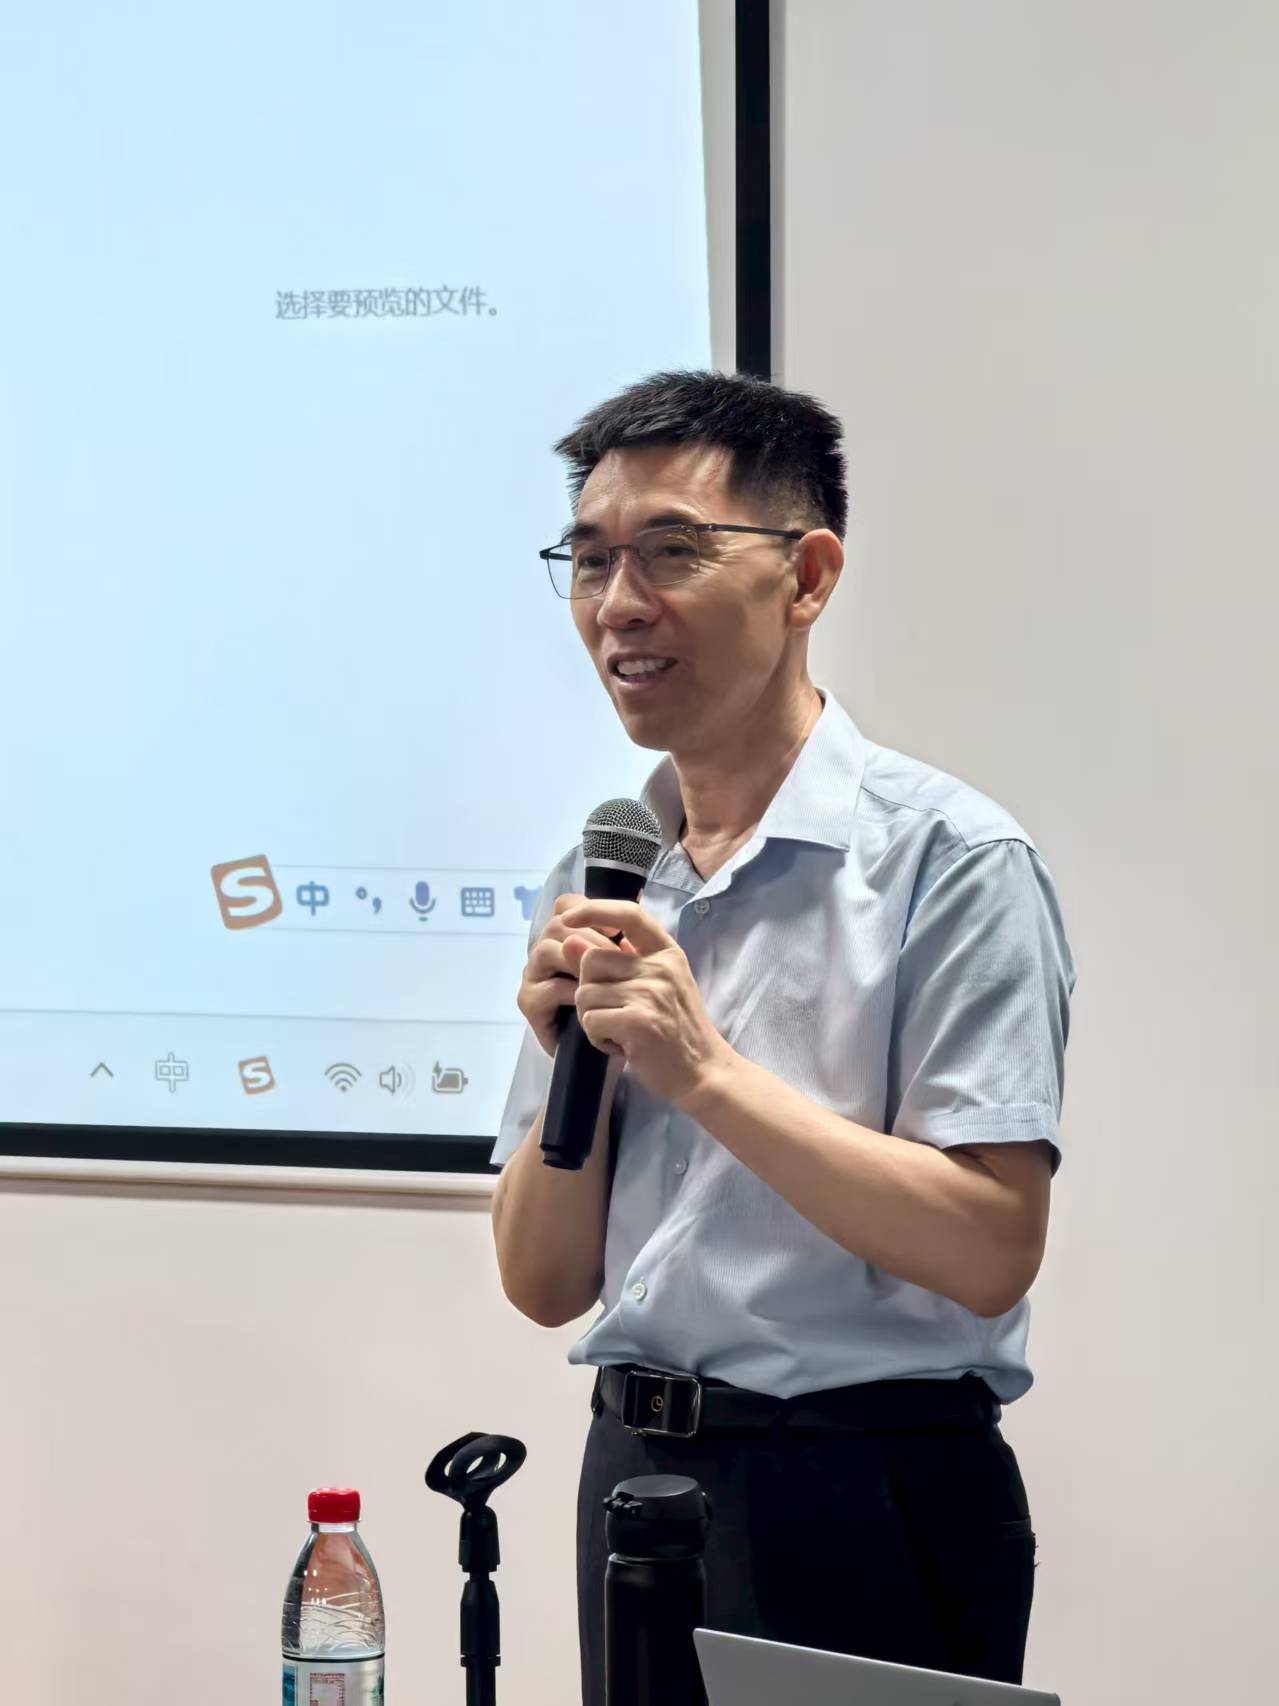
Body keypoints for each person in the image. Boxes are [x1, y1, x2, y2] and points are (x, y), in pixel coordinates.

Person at [489, 369, 1075, 1705]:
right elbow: (541, 1278)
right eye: (590, 559)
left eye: (671, 551)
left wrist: (702, 1074)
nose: (618, 603)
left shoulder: (949, 862)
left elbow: (991, 1245)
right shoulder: (603, 873)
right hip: (634, 1476)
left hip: (867, 1489)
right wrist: (581, 1079)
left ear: (806, 577)